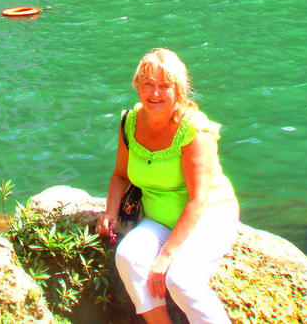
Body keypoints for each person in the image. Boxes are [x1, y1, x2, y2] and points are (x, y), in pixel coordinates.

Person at [96, 48, 238, 324]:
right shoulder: (131, 121)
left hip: (207, 217)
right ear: (138, 87)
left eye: (164, 86)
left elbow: (198, 200)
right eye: (148, 84)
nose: (155, 93)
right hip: (159, 217)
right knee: (128, 257)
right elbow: (120, 175)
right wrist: (110, 213)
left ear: (179, 91)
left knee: (180, 278)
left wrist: (166, 256)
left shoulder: (194, 129)